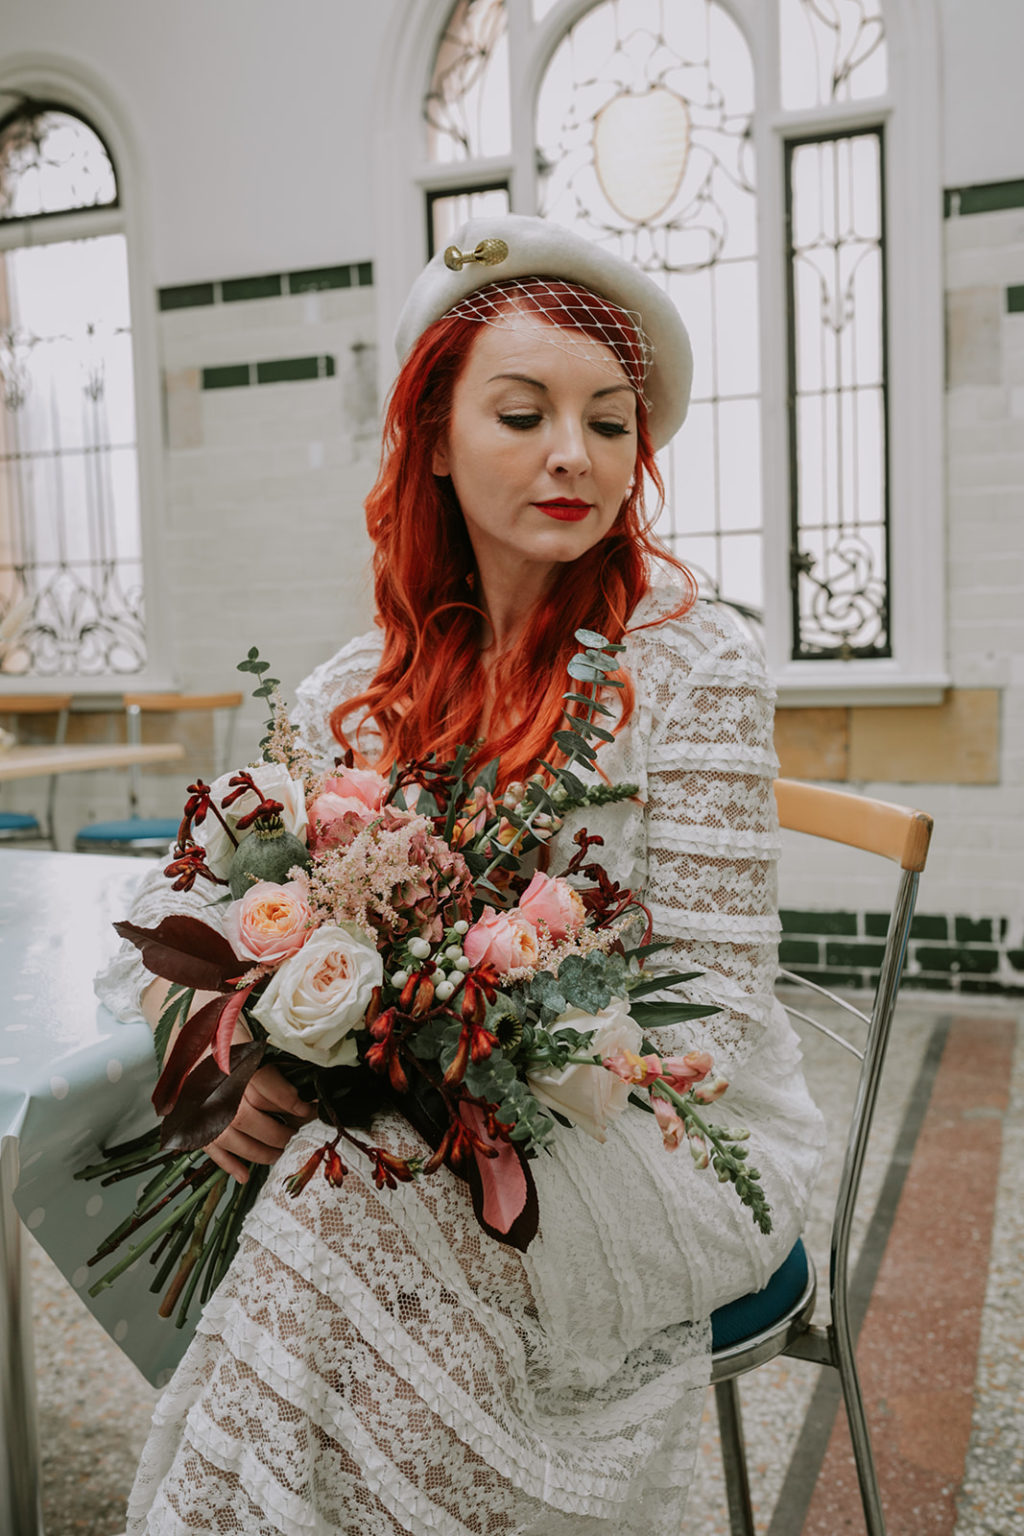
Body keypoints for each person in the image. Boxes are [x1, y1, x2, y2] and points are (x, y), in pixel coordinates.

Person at [97, 213, 825, 1535]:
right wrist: (243, 1053)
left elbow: (719, 1005)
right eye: (523, 411)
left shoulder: (697, 660)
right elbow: (180, 912)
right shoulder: (346, 699)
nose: (573, 453)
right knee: (330, 1193)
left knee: (338, 1211)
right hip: (403, 1148)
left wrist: (475, 1071)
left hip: (657, 1140)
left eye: (611, 423)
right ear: (433, 438)